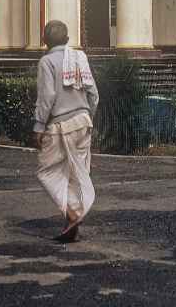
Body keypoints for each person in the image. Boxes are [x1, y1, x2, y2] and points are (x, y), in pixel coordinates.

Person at [34, 20, 99, 243]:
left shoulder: (47, 62)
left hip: (62, 125)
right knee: (75, 173)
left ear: (44, 41)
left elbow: (47, 97)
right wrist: (88, 115)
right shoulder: (79, 58)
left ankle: (72, 214)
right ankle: (71, 225)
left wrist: (39, 126)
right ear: (68, 39)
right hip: (83, 121)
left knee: (47, 171)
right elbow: (93, 93)